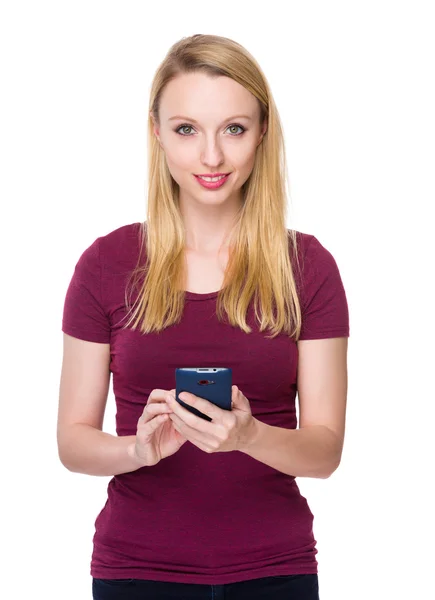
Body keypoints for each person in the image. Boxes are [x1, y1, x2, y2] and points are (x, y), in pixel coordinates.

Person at [58, 33, 349, 600]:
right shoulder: (105, 265)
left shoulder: (308, 267)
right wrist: (136, 452)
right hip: (136, 570)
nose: (211, 157)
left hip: (274, 570)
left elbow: (325, 452)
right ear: (157, 133)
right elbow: (72, 441)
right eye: (187, 129)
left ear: (262, 133)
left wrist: (249, 435)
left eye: (233, 129)